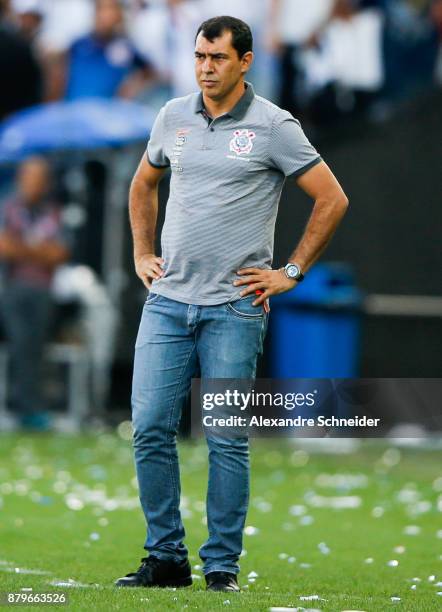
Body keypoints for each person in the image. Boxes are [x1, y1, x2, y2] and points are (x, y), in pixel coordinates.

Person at [115, 16, 348, 592]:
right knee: (148, 428)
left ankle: (220, 568)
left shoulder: (274, 126)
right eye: (199, 57)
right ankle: (165, 558)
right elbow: (143, 183)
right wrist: (143, 252)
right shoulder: (172, 116)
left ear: (245, 61)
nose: (205, 68)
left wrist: (290, 271)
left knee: (226, 438)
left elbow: (332, 198)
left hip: (235, 307)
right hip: (167, 302)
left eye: (217, 58)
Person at [0, 157, 70, 429]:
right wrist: (38, 250)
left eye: (39, 179)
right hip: (14, 289)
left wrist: (24, 248)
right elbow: (4, 247)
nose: (34, 185)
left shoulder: (53, 212)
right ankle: (20, 407)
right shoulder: (8, 208)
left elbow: (60, 253)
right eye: (30, 178)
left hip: (43, 290)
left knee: (38, 348)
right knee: (19, 346)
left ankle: (34, 407)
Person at [47, 0, 155, 101]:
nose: (106, 15)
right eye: (101, 9)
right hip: (76, 111)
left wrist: (132, 87)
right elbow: (58, 77)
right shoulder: (78, 45)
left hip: (107, 114)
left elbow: (148, 72)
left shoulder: (125, 47)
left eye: (111, 9)